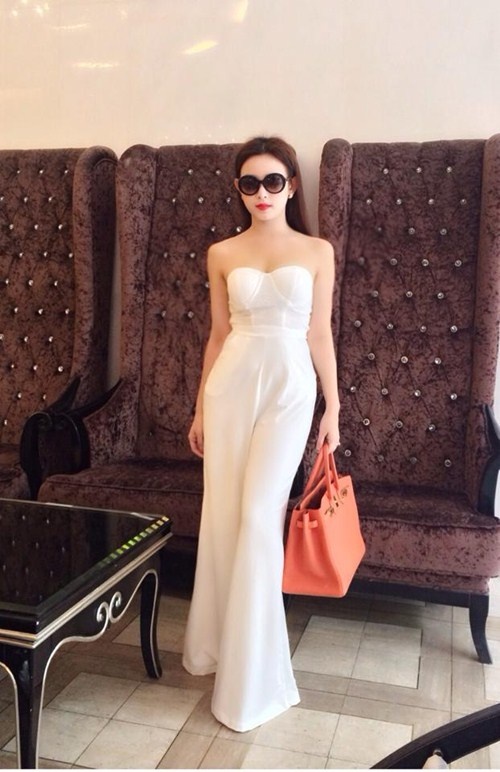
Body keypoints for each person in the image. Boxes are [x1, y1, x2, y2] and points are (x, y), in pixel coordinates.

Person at [182, 136, 340, 732]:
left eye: (273, 181)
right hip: (230, 386)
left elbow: (319, 332)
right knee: (225, 515)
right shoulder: (222, 252)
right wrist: (200, 409)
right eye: (250, 184)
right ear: (239, 190)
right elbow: (218, 335)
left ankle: (254, 679)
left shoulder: (317, 251)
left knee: (257, 516)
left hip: (291, 387)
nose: (262, 193)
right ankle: (219, 648)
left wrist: (333, 407)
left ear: (292, 185)